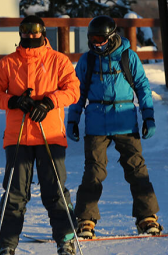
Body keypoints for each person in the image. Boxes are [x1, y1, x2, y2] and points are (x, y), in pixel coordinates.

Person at [0, 15, 81, 255]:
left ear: (43, 32)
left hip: (50, 137)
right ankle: (6, 246)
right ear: (19, 33)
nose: (30, 36)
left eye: (35, 31)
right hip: (18, 138)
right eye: (25, 31)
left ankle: (66, 242)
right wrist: (13, 101)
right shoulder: (9, 63)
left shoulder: (58, 61)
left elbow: (73, 90)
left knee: (56, 193)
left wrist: (50, 102)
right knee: (14, 195)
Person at [67, 15, 162, 239]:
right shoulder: (87, 61)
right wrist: (73, 119)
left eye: (100, 38)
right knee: (94, 171)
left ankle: (147, 217)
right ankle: (86, 220)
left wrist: (148, 116)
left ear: (111, 37)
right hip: (97, 122)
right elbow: (76, 92)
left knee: (136, 169)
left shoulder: (128, 57)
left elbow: (142, 86)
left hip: (125, 120)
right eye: (92, 39)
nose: (96, 43)